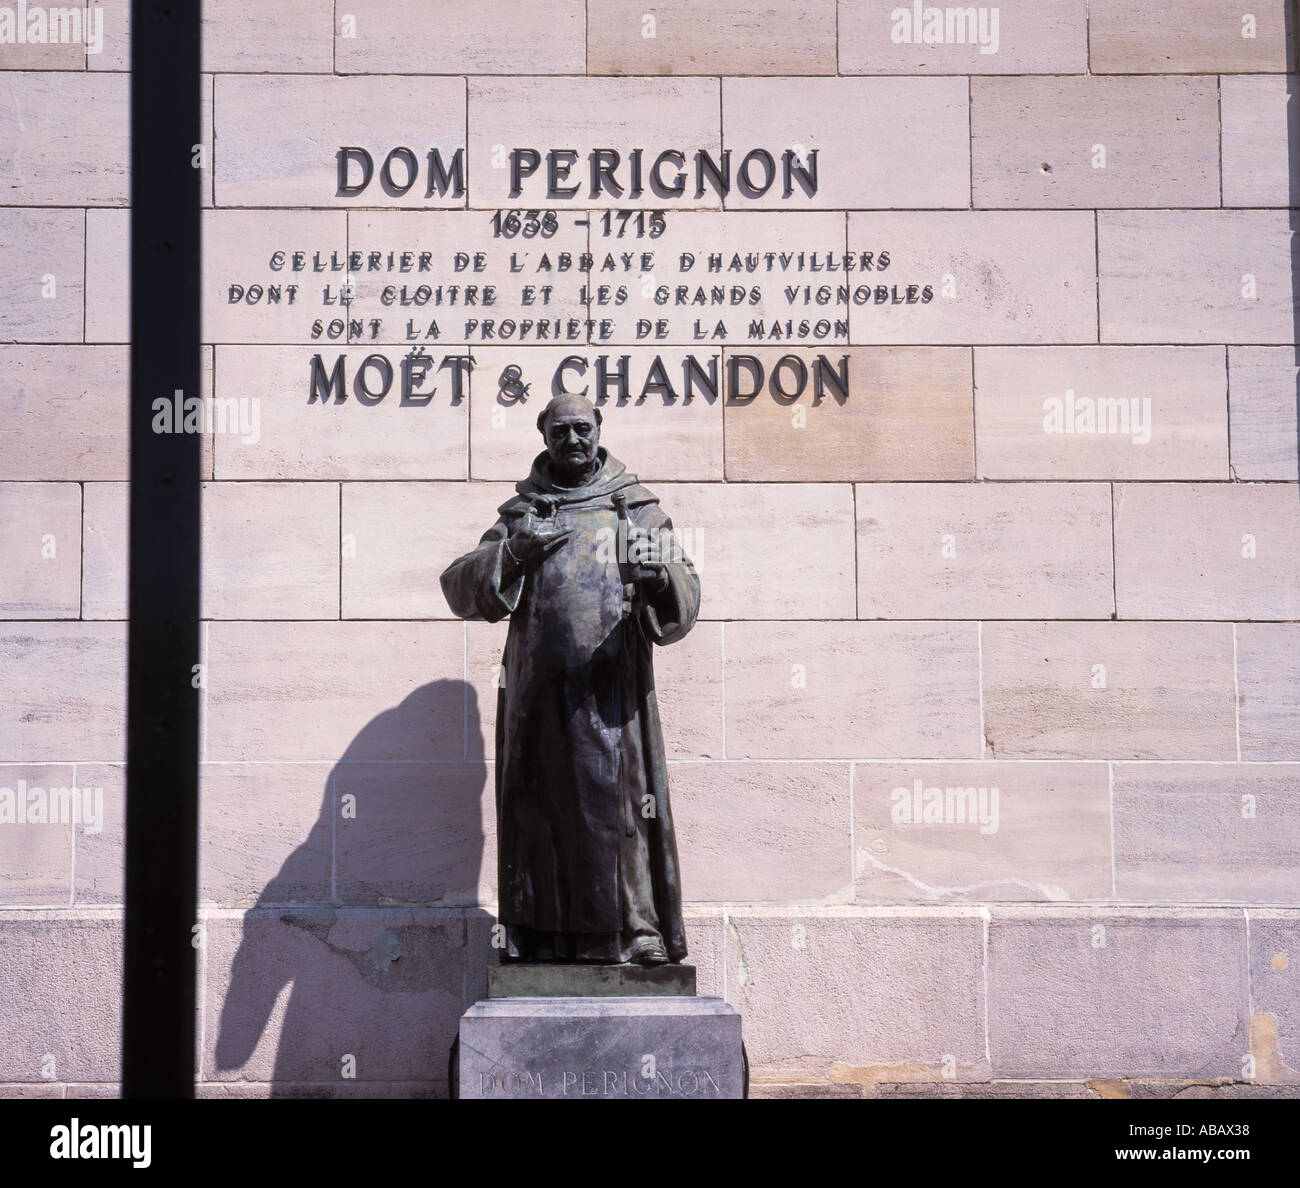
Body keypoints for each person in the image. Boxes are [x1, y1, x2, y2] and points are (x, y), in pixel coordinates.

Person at [440, 393, 699, 965]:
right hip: (539, 700)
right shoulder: (524, 513)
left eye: (582, 428)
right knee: (543, 820)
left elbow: (684, 595)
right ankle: (540, 936)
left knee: (624, 807)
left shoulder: (634, 508)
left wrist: (657, 577)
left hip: (612, 693)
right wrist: (514, 552)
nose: (574, 440)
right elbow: (459, 587)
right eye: (561, 431)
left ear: (599, 429)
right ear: (543, 435)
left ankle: (637, 931)